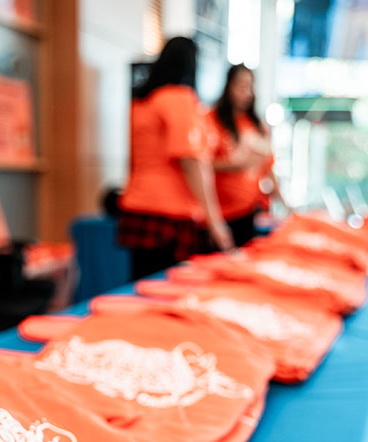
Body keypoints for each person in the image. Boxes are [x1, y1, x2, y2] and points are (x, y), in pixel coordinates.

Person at [118, 37, 234, 281]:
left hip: (139, 208)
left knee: (144, 288)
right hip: (169, 216)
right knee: (170, 290)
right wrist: (215, 221)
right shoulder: (177, 98)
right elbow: (191, 161)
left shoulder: (142, 101)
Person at [206, 64, 291, 247]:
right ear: (228, 85)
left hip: (247, 210)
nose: (246, 92)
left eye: (250, 86)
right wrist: (233, 165)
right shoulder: (211, 119)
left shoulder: (256, 125)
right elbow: (199, 164)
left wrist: (284, 203)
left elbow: (268, 166)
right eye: (241, 85)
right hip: (215, 213)